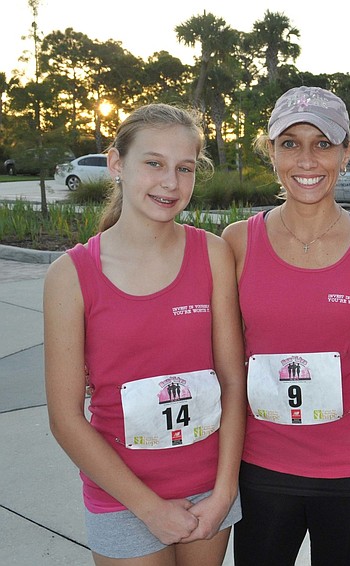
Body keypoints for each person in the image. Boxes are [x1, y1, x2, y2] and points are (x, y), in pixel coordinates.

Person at [43, 103, 246, 565]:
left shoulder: (213, 255)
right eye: (154, 163)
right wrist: (150, 509)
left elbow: (233, 380)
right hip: (122, 496)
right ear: (117, 163)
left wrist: (224, 491)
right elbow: (65, 418)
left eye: (184, 168)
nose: (170, 182)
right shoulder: (70, 276)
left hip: (209, 492)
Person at [222, 86, 350, 566]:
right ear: (271, 151)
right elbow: (218, 357)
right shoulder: (236, 242)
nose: (306, 159)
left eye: (323, 144)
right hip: (260, 466)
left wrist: (338, 381)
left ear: (346, 152)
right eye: (290, 143)